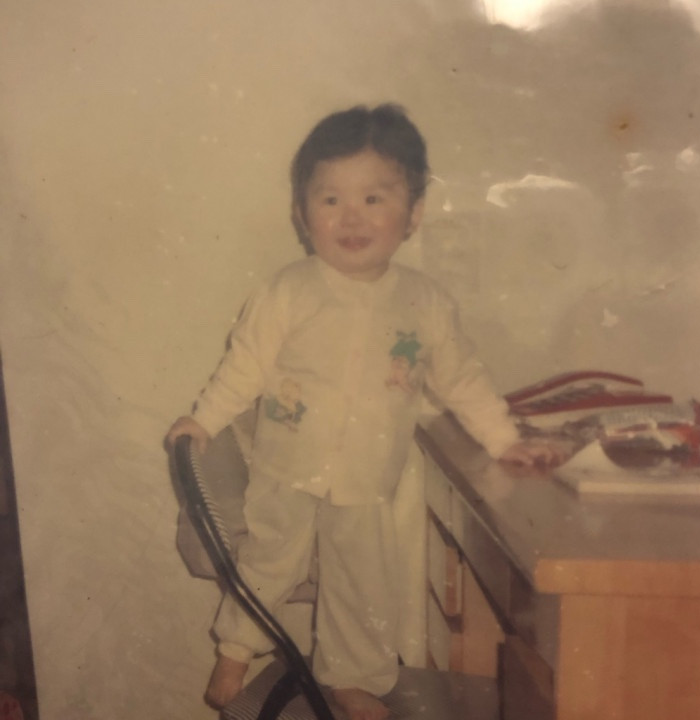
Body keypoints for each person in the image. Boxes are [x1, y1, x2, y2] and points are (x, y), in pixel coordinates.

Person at [166, 104, 563, 720]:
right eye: (330, 199)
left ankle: (350, 679)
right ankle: (236, 649)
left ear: (414, 213)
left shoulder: (425, 303)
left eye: (374, 198)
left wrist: (503, 440)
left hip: (369, 478)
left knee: (360, 584)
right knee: (270, 559)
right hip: (286, 466)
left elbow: (462, 379)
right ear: (302, 214)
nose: (351, 217)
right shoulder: (288, 291)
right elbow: (244, 368)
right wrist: (205, 421)